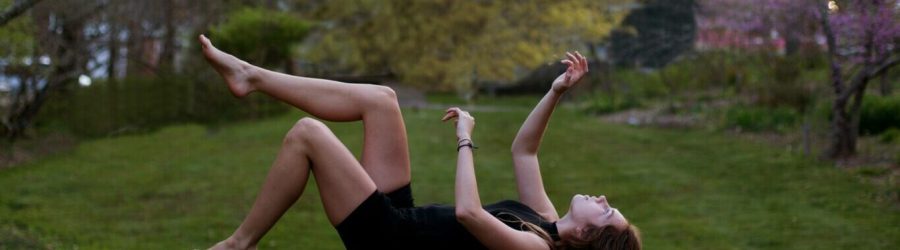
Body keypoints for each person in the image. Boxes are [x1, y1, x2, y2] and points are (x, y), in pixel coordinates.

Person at [199, 34, 641, 250]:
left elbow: (469, 214)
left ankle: (239, 244)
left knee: (308, 134)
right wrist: (556, 91)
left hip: (388, 243)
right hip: (404, 219)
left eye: (607, 210)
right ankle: (250, 76)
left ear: (587, 235)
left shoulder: (536, 249)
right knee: (382, 100)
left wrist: (465, 139)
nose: (603, 198)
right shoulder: (542, 218)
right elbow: (524, 150)